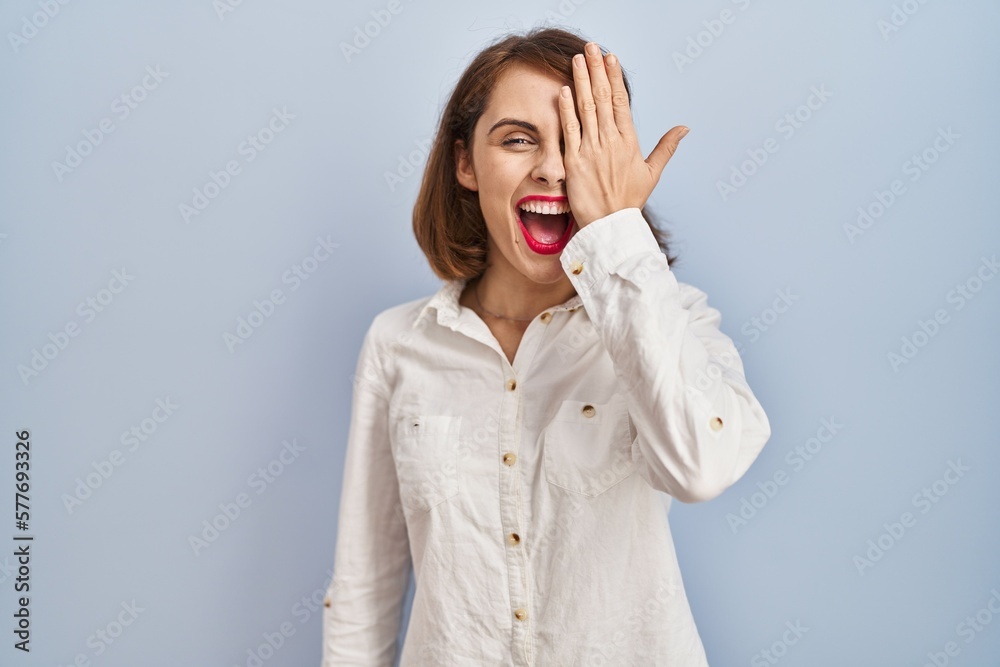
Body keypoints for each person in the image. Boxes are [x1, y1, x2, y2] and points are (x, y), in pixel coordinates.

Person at [321, 25, 771, 666]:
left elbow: (701, 467)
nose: (554, 169)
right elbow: (363, 590)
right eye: (517, 139)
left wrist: (616, 230)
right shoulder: (397, 345)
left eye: (579, 141)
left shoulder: (672, 321)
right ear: (465, 163)